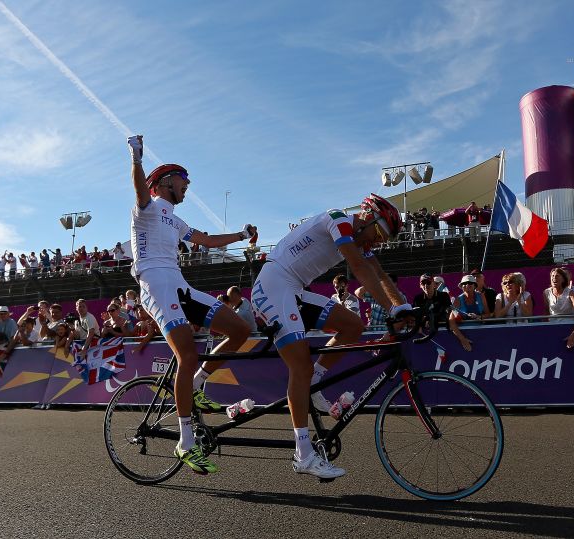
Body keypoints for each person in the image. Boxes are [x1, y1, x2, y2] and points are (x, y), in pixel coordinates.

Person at [250, 193, 410, 479]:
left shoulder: (361, 238)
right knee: (299, 364)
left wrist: (405, 307)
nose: (379, 242)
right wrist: (391, 310)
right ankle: (303, 455)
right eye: (380, 233)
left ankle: (315, 379)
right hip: (274, 284)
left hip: (294, 288)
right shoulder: (339, 220)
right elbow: (360, 269)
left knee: (352, 326)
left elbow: (381, 275)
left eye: (384, 239)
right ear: (367, 217)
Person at [127, 134, 256, 475]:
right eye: (184, 180)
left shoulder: (177, 219)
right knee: (187, 352)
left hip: (179, 284)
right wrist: (137, 159)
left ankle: (196, 383)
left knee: (240, 330)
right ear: (166, 182)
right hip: (155, 284)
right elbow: (141, 190)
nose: (188, 186)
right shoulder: (147, 208)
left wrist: (242, 235)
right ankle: (185, 443)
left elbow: (209, 240)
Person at [449, 274, 491, 351]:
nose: (467, 285)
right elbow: (451, 322)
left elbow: (489, 314)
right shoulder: (458, 300)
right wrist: (463, 339)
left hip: (481, 333)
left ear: (474, 285)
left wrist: (479, 317)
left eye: (470, 283)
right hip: (464, 334)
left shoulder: (481, 296)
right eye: (464, 283)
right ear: (461, 287)